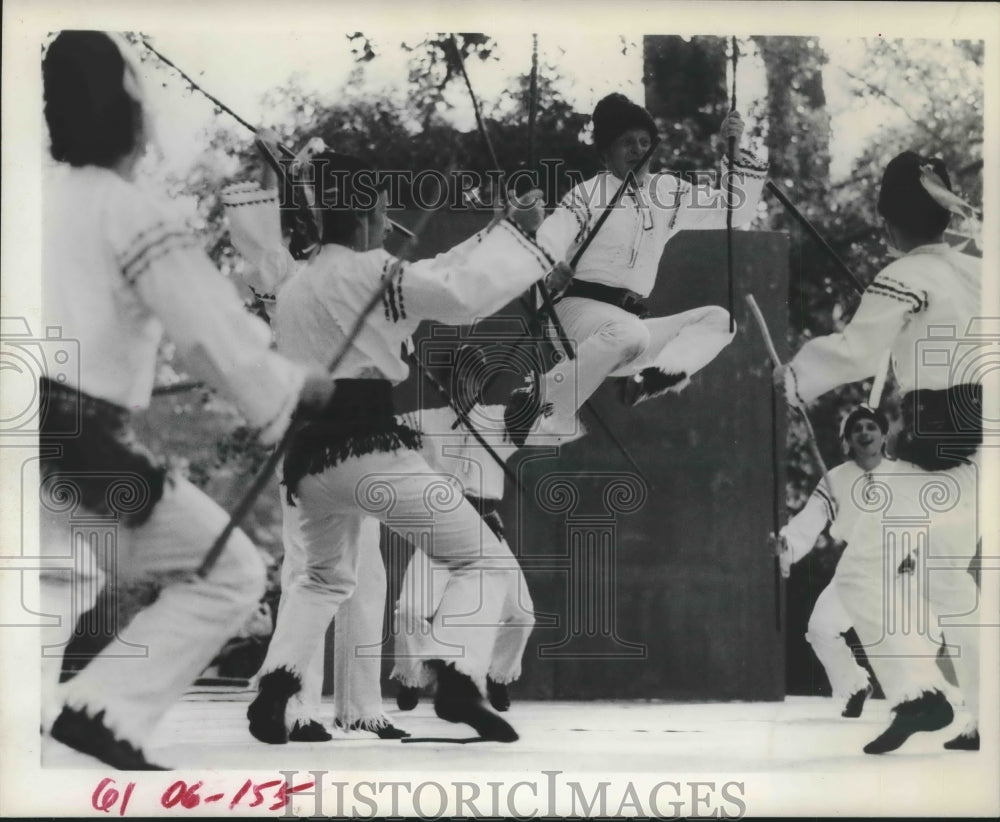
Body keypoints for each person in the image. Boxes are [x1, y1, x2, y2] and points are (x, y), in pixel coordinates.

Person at [38, 31, 336, 770]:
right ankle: (102, 707)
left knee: (43, 582)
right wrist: (294, 386)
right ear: (132, 117)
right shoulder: (129, 212)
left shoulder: (33, 202)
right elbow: (212, 333)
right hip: (68, 440)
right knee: (227, 571)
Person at [246, 148, 569, 744]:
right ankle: (455, 674)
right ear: (370, 208)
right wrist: (526, 241)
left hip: (307, 461)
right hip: (367, 448)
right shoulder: (375, 275)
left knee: (320, 579)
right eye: (384, 206)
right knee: (481, 559)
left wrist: (495, 233)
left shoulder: (298, 284)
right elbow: (461, 294)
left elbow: (438, 274)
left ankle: (278, 685)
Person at [776, 151, 983, 754]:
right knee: (951, 587)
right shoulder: (978, 269)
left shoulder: (906, 277)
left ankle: (920, 693)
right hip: (981, 452)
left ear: (889, 223)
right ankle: (982, 716)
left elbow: (857, 353)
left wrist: (793, 377)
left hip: (947, 449)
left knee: (863, 570)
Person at [506, 92, 769, 445]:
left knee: (720, 321)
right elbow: (550, 238)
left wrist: (733, 155)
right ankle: (537, 399)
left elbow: (734, 213)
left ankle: (651, 379)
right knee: (630, 334)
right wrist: (552, 267)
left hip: (627, 329)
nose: (637, 149)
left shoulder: (667, 192)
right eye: (626, 142)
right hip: (571, 315)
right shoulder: (589, 194)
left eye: (645, 142)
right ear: (606, 152)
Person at [392, 345, 542, 713]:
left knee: (521, 614)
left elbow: (532, 414)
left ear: (481, 382)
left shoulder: (498, 418)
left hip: (485, 528)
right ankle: (413, 676)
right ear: (447, 380)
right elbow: (387, 434)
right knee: (410, 609)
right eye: (458, 376)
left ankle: (496, 675)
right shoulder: (423, 419)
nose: (464, 383)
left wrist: (534, 394)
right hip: (439, 528)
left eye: (473, 377)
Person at [772, 406, 894, 718]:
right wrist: (786, 542)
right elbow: (810, 520)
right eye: (857, 429)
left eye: (871, 427)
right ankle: (854, 685)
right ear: (848, 440)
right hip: (856, 566)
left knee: (905, 637)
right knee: (821, 628)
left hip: (899, 566)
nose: (864, 433)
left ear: (883, 435)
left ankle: (925, 700)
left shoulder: (902, 475)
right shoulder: (835, 479)